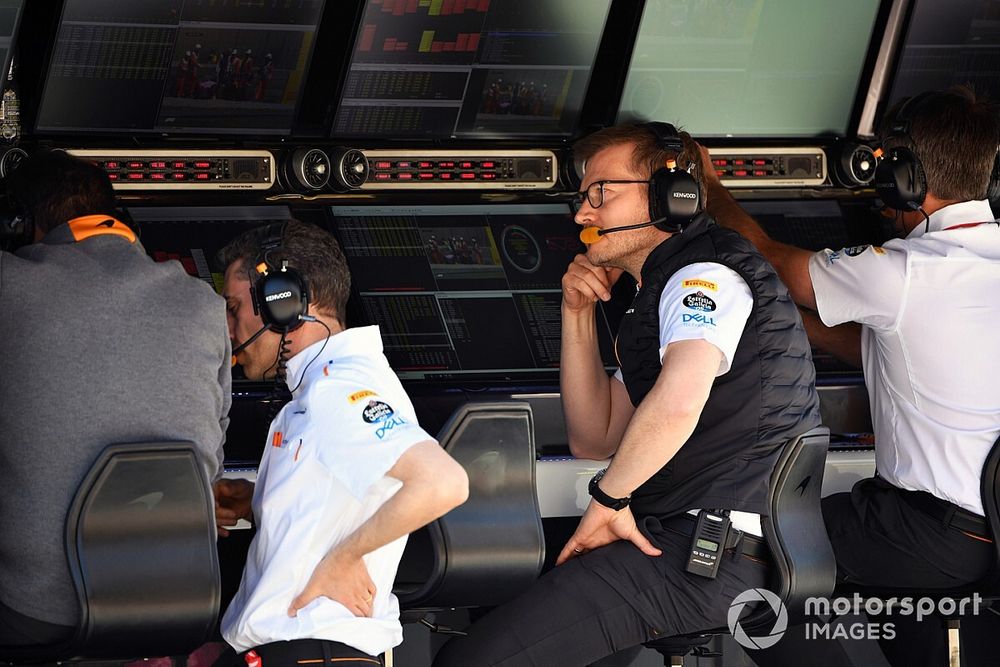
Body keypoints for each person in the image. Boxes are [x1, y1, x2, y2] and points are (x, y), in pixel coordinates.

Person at [432, 123, 821, 666]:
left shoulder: (701, 278)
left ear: (671, 196)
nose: (583, 215)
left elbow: (678, 403)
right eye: (583, 198)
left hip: (704, 552)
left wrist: (609, 502)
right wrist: (577, 314)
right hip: (698, 544)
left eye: (601, 194)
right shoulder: (663, 292)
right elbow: (596, 435)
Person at [699, 86, 1000, 666]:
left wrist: (707, 185)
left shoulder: (908, 271)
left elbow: (765, 256)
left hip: (924, 536)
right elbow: (899, 344)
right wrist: (798, 326)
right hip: (980, 533)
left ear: (905, 179)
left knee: (737, 544)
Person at [0, 150, 231, 644]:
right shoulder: (205, 305)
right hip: (180, 598)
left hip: (38, 610)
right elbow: (215, 445)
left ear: (20, 226)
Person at [213, 220, 469, 665]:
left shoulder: (339, 388)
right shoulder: (322, 387)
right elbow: (343, 498)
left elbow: (443, 482)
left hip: (311, 651)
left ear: (285, 301)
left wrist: (345, 558)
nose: (230, 330)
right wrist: (260, 500)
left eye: (235, 309)